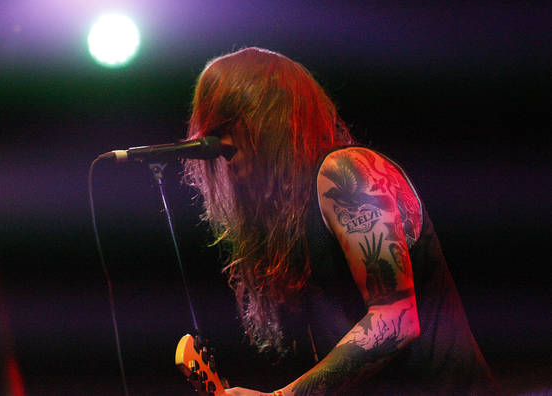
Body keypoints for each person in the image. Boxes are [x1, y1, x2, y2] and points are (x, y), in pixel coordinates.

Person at [181, 47, 499, 395]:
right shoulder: (289, 223)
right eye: (211, 125)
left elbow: (395, 320)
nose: (216, 140)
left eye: (229, 121)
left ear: (271, 117)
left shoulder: (346, 172)